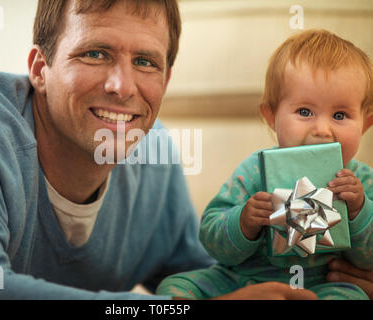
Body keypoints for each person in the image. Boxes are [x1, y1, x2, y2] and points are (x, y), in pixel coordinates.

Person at [0, 0, 319, 300]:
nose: (123, 86)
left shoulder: (153, 152)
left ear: (165, 80)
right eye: (95, 53)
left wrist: (331, 276)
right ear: (40, 68)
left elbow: (205, 280)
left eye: (145, 62)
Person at [156, 29, 373, 300]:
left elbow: (368, 259)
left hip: (322, 284)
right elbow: (211, 239)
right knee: (174, 288)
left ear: (365, 124)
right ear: (271, 116)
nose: (322, 130)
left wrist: (359, 210)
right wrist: (244, 221)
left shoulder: (361, 182)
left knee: (353, 296)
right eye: (304, 112)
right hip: (243, 281)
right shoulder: (255, 171)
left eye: (340, 115)